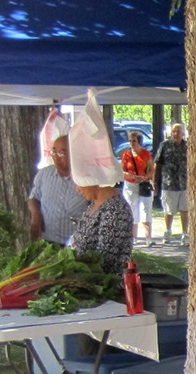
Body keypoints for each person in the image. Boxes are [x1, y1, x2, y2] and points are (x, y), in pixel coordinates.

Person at [69, 93, 134, 278]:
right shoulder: (94, 205)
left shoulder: (115, 210)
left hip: (106, 288)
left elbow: (104, 259)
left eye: (80, 183)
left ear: (92, 179)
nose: (78, 189)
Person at [27, 118, 88, 247]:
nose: (55, 156)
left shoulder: (85, 179)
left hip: (76, 245)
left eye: (62, 153)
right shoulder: (44, 174)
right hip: (47, 241)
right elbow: (34, 197)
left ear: (74, 154)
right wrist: (36, 214)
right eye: (54, 151)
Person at [153, 123, 189, 242]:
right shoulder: (165, 145)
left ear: (183, 133)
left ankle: (185, 234)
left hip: (185, 183)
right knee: (169, 210)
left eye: (178, 131)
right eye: (174, 131)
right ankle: (168, 231)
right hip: (169, 183)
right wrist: (154, 181)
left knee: (185, 209)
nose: (176, 134)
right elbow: (157, 164)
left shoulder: (188, 146)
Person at [120, 130, 155, 244]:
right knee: (132, 209)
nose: (131, 143)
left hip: (144, 185)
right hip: (130, 185)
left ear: (139, 141)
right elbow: (122, 171)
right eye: (130, 141)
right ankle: (133, 238)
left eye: (134, 141)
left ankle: (148, 238)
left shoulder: (146, 154)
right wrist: (130, 176)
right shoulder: (126, 155)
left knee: (146, 209)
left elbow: (151, 170)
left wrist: (144, 177)